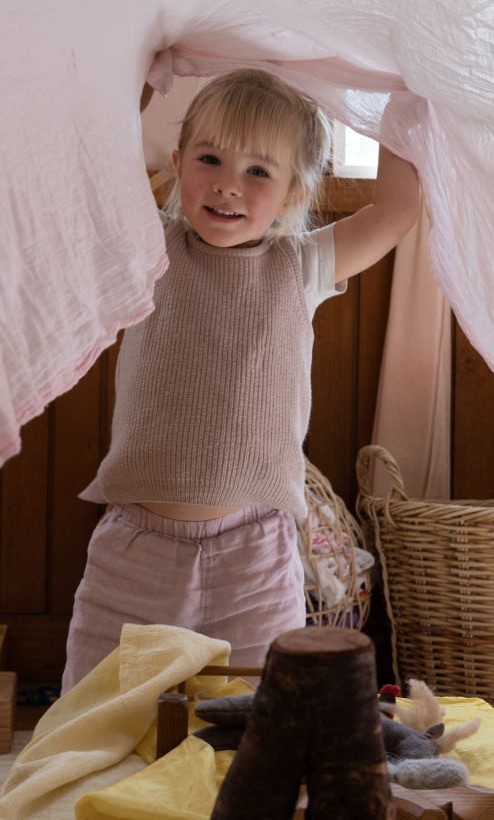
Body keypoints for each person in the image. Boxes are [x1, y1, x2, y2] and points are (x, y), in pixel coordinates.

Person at [63, 69, 420, 692]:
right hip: (135, 549)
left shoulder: (300, 265)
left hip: (253, 556)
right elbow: (90, 170)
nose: (228, 183)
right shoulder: (151, 245)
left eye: (258, 171)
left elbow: (395, 212)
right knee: (92, 717)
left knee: (258, 723)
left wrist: (404, 91)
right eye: (210, 159)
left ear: (292, 193)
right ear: (178, 165)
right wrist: (139, 73)